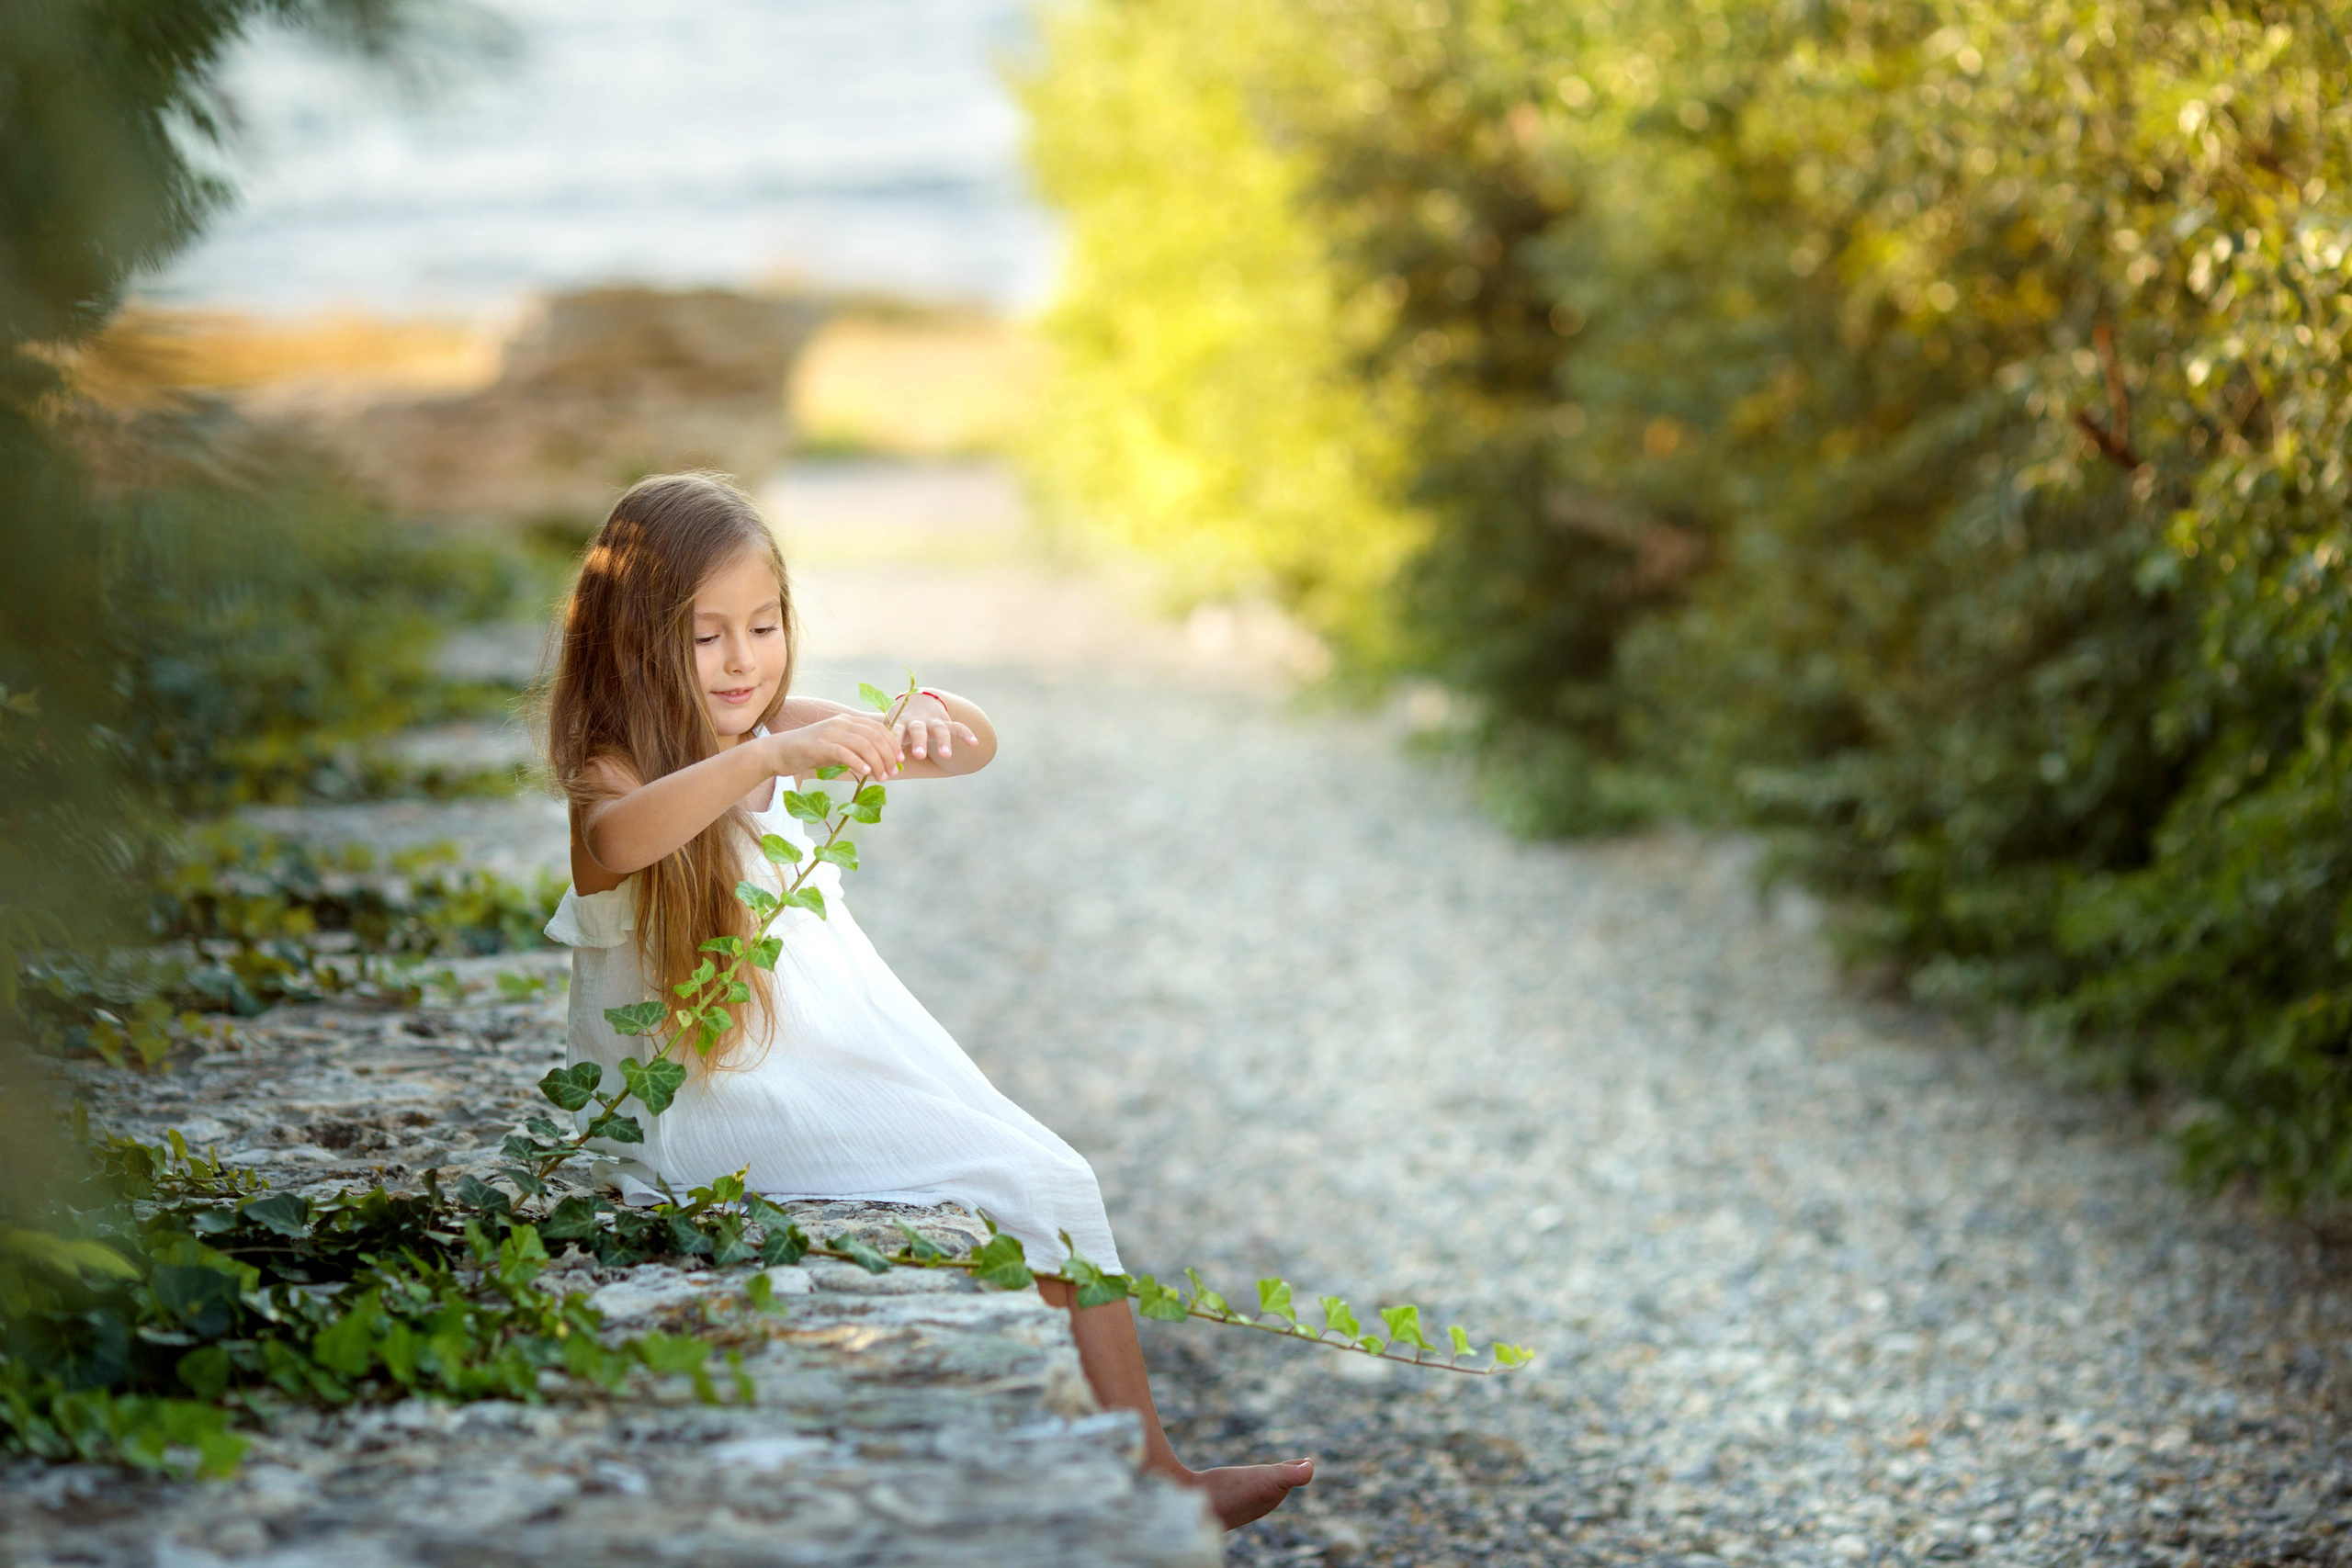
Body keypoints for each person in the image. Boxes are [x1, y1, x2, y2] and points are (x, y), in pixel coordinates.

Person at [540, 470, 1313, 1529]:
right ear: (633, 642)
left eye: (762, 627)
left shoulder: (772, 730)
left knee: (1051, 1174)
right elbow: (614, 844)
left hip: (826, 1060)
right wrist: (771, 750)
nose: (741, 661)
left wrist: (925, 716)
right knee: (1026, 1174)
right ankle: (1151, 1485)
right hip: (703, 1109)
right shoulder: (616, 770)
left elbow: (975, 747)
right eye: (704, 634)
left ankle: (1151, 1470)